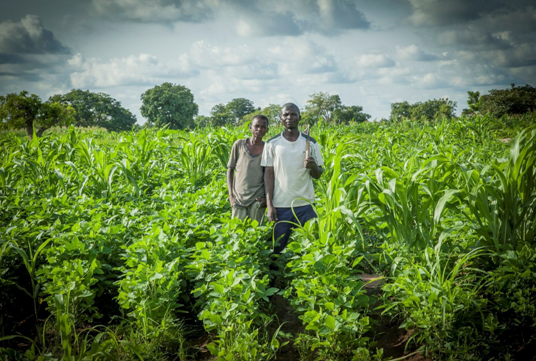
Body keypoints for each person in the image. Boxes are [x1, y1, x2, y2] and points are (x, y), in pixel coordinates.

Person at [261, 103, 324, 254]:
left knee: (310, 249)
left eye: (293, 114)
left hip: (306, 205)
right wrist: (270, 206)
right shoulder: (272, 144)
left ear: (299, 117)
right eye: (286, 115)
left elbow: (318, 174)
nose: (290, 118)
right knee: (277, 248)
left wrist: (313, 166)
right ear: (281, 119)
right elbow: (268, 175)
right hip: (280, 206)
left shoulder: (311, 142)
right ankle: (276, 278)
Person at [227, 114, 269, 223]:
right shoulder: (239, 145)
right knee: (237, 232)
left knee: (256, 233)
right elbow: (230, 170)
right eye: (256, 126)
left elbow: (269, 175)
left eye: (263, 127)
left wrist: (266, 198)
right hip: (239, 198)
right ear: (250, 127)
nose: (259, 129)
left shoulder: (267, 149)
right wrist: (231, 196)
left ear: (267, 130)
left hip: (257, 199)